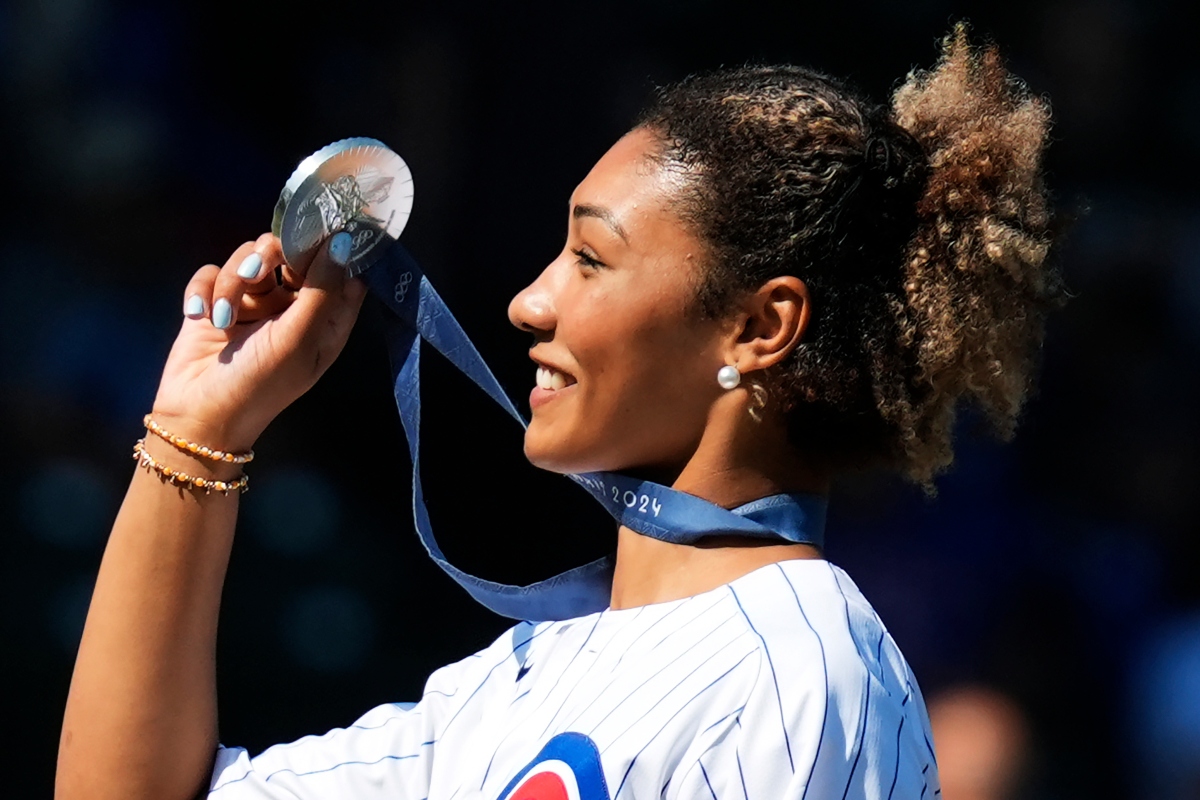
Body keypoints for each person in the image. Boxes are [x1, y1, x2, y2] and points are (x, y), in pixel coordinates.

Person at [55, 25, 1057, 800]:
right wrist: (198, 429)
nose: (530, 302)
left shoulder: (802, 667)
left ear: (761, 325)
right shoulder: (507, 685)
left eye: (590, 257)